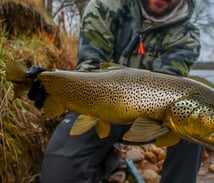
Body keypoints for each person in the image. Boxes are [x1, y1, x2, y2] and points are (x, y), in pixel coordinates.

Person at [27, 0, 204, 182]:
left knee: (196, 126)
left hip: (149, 118)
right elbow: (89, 71)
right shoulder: (104, 7)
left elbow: (169, 85)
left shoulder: (187, 34)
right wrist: (54, 85)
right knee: (56, 177)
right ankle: (107, 160)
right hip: (97, 107)